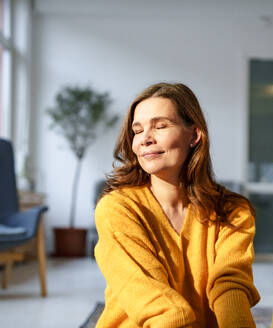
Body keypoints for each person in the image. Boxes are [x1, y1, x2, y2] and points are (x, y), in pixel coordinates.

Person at [94, 82, 260, 327]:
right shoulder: (117, 209)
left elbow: (230, 286)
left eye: (160, 126)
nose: (145, 140)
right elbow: (156, 304)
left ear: (194, 135)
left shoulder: (233, 211)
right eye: (137, 131)